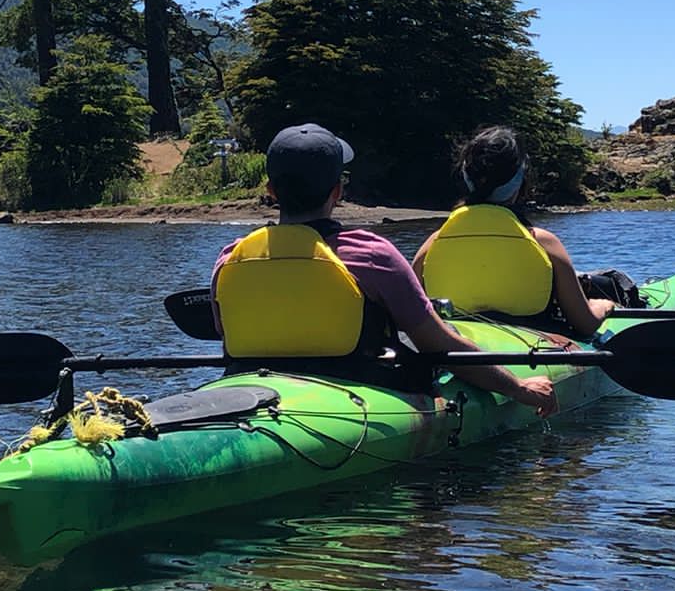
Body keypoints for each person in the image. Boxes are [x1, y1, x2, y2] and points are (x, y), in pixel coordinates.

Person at [211, 122, 558, 416]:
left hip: (252, 385)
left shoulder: (229, 259)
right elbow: (437, 344)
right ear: (338, 190)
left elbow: (226, 333)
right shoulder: (372, 255)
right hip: (361, 388)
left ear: (271, 191)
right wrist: (518, 388)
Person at [413, 126, 618, 338]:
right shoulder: (545, 243)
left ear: (466, 177)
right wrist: (602, 306)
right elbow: (585, 324)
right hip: (534, 344)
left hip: (457, 344)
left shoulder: (432, 244)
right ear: (520, 181)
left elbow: (407, 313)